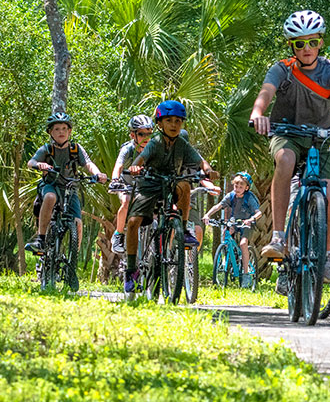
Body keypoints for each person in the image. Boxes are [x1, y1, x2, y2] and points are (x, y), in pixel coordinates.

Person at [249, 10, 330, 294]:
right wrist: (258, 112)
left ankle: (327, 256)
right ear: (291, 46)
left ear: (321, 42)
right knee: (284, 160)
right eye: (300, 43)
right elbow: (266, 92)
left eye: (312, 42)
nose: (306, 48)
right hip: (287, 134)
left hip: (322, 139)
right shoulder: (282, 69)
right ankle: (278, 237)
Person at [123, 100, 219, 292]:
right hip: (150, 184)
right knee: (133, 222)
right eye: (169, 121)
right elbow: (140, 159)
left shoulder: (182, 144)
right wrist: (135, 166)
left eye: (178, 121)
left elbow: (200, 161)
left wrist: (208, 170)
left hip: (172, 182)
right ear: (160, 124)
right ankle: (131, 271)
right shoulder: (155, 142)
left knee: (184, 185)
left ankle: (181, 230)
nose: (174, 125)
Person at [25, 113, 108, 255]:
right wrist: (40, 165)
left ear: (69, 131)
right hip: (51, 184)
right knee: (50, 197)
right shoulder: (47, 149)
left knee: (78, 223)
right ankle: (40, 239)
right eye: (57, 129)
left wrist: (98, 174)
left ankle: (72, 263)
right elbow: (30, 162)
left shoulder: (76, 149)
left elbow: (87, 163)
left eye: (64, 128)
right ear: (51, 132)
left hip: (70, 188)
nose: (61, 132)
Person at [204, 172, 262, 280]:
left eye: (241, 186)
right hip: (234, 222)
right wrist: (207, 215)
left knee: (243, 243)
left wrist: (251, 219)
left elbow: (259, 213)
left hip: (247, 224)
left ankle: (246, 273)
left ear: (247, 187)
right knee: (225, 235)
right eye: (236, 186)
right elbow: (218, 206)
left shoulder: (249, 198)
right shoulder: (231, 196)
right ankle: (228, 260)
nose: (238, 188)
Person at [110, 113, 153, 255]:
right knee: (127, 201)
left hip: (145, 186)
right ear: (132, 135)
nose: (146, 138)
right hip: (126, 185)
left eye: (149, 133)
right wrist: (115, 180)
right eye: (141, 134)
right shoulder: (127, 149)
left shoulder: (154, 149)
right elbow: (118, 166)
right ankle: (118, 235)